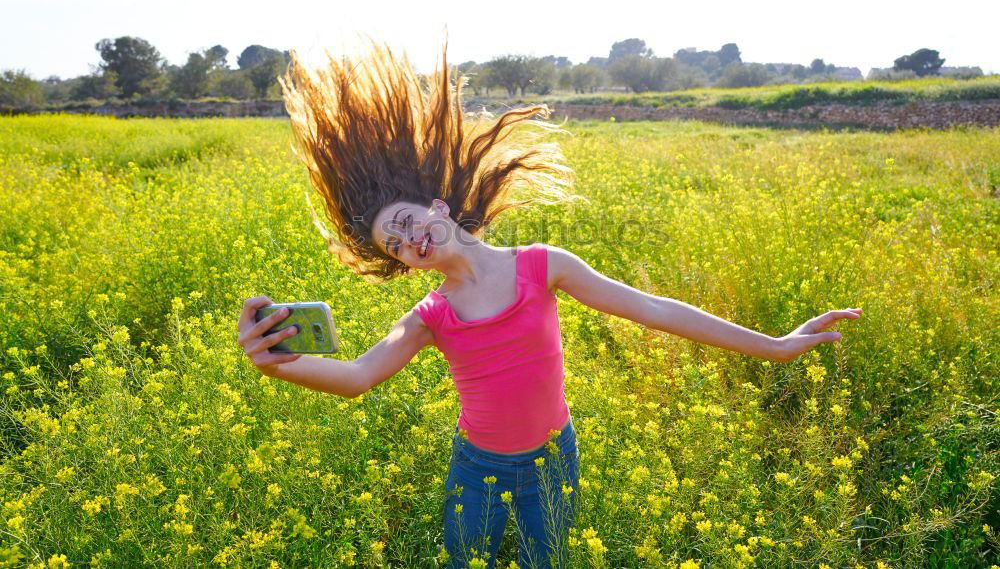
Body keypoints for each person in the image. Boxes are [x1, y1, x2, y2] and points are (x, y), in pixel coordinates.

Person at [236, 41, 863, 568]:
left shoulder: (543, 266)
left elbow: (658, 309)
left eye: (405, 223)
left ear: (437, 206)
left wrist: (776, 346)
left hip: (553, 462)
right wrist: (274, 362)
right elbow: (356, 377)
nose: (409, 241)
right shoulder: (432, 315)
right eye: (394, 247)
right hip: (476, 470)